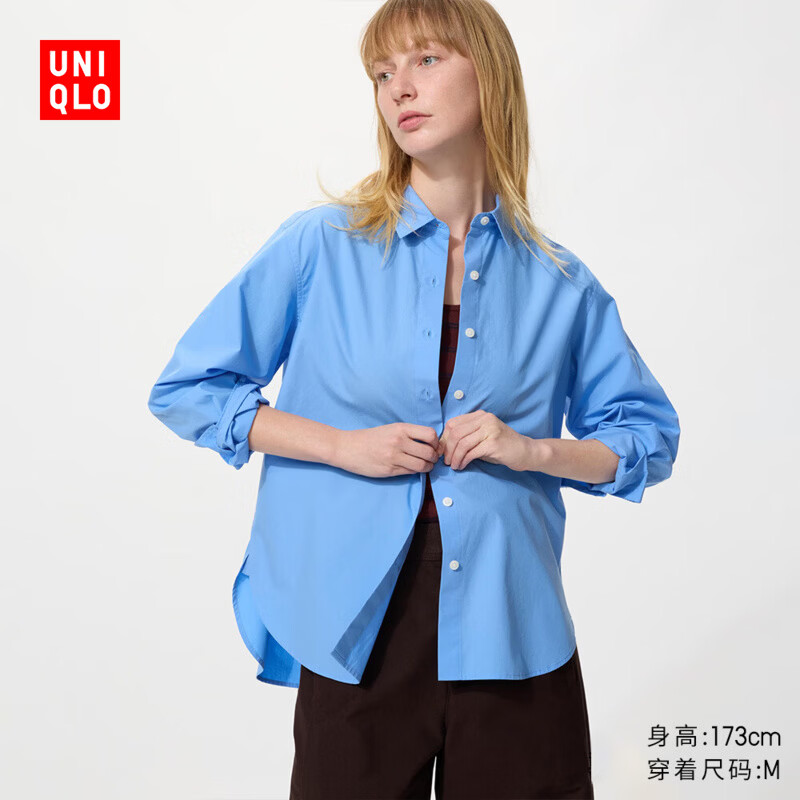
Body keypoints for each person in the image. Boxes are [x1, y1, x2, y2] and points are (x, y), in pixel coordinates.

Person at [147, 0, 680, 797]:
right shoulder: (322, 246)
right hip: (360, 630)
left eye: (426, 60)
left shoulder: (559, 282)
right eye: (382, 72)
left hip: (512, 631)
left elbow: (646, 438)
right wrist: (340, 445)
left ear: (488, 74)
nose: (399, 87)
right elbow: (190, 388)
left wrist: (533, 450)